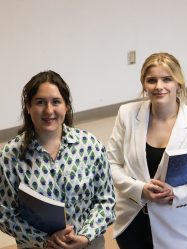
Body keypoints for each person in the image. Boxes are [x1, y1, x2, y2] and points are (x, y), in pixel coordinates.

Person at [107, 52, 187, 249]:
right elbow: (110, 164)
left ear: (179, 83)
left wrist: (177, 193)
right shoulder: (127, 114)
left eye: (167, 79)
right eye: (152, 80)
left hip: (175, 225)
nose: (159, 86)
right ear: (144, 84)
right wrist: (140, 189)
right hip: (131, 221)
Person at [0, 71, 116, 249]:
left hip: (88, 245)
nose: (49, 110)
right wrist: (43, 240)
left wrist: (85, 236)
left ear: (66, 106)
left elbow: (106, 201)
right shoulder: (10, 156)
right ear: (28, 107)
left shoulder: (90, 146)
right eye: (40, 102)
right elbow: (5, 215)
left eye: (56, 102)